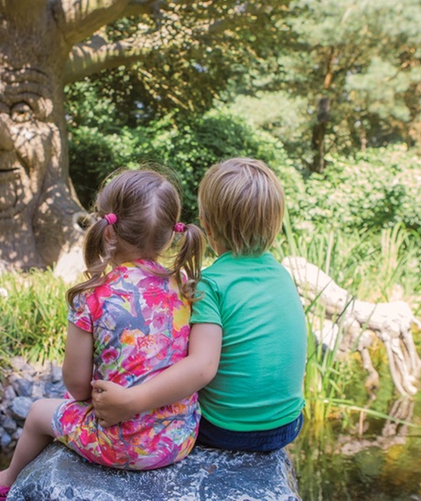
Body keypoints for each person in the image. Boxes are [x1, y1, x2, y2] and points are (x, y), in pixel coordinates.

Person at [0, 169, 205, 500]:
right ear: (171, 234)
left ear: (107, 230)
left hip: (120, 444)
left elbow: (78, 386)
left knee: (39, 411)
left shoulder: (92, 294)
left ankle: (7, 481)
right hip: (180, 439)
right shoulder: (185, 284)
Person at [92, 157, 307, 452]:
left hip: (228, 430)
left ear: (206, 224)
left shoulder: (212, 283)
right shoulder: (282, 275)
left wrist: (132, 401)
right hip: (288, 424)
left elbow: (202, 367)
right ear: (276, 223)